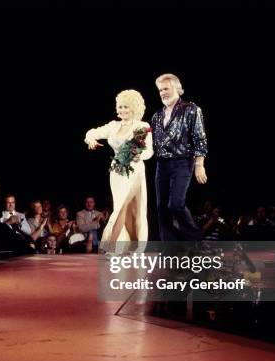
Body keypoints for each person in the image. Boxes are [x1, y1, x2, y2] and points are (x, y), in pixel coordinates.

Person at [85, 89, 153, 253]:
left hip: (134, 169)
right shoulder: (113, 126)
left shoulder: (141, 126)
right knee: (122, 206)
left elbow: (149, 151)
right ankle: (123, 246)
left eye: (126, 107)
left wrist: (139, 155)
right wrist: (91, 139)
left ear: (134, 108)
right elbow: (91, 132)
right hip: (116, 171)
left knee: (131, 208)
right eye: (120, 106)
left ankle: (117, 246)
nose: (122, 110)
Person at [151, 73, 208, 242]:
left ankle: (197, 243)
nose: (163, 92)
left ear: (177, 88)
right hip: (161, 165)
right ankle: (170, 249)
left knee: (175, 204)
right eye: (160, 90)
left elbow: (200, 138)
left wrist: (199, 164)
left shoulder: (191, 109)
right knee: (162, 209)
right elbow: (152, 143)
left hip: (182, 162)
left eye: (166, 88)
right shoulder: (157, 116)